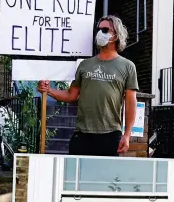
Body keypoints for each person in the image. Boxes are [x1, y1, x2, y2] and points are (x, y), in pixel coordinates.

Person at [37, 15, 139, 156]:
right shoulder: (85, 65)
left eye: (104, 30)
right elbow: (71, 95)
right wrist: (48, 90)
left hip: (110, 134)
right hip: (82, 134)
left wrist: (127, 135)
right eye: (98, 29)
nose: (99, 33)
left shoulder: (128, 66)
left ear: (116, 35)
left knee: (106, 178)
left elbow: (131, 102)